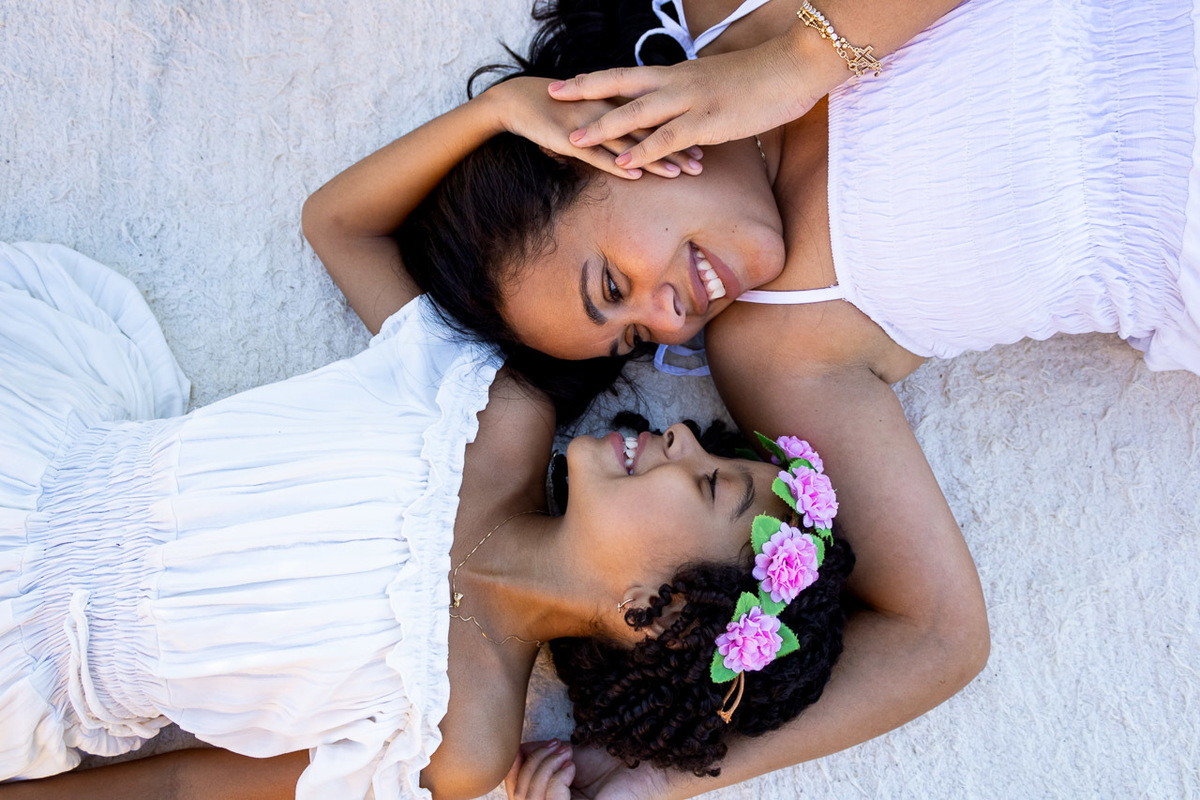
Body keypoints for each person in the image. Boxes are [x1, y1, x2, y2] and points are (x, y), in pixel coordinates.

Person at [304, 0, 1200, 796]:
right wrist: (663, 773)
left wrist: (792, 65)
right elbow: (937, 634)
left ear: (603, 131)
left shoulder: (728, 10)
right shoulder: (777, 344)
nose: (669, 321)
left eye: (612, 285)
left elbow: (334, 218)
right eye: (629, 341)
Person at [0, 241, 854, 799]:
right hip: (31, 453)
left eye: (708, 483)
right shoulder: (486, 418)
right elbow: (342, 226)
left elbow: (183, 788)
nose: (677, 433)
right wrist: (511, 111)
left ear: (654, 613)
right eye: (712, 448)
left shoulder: (457, 739)